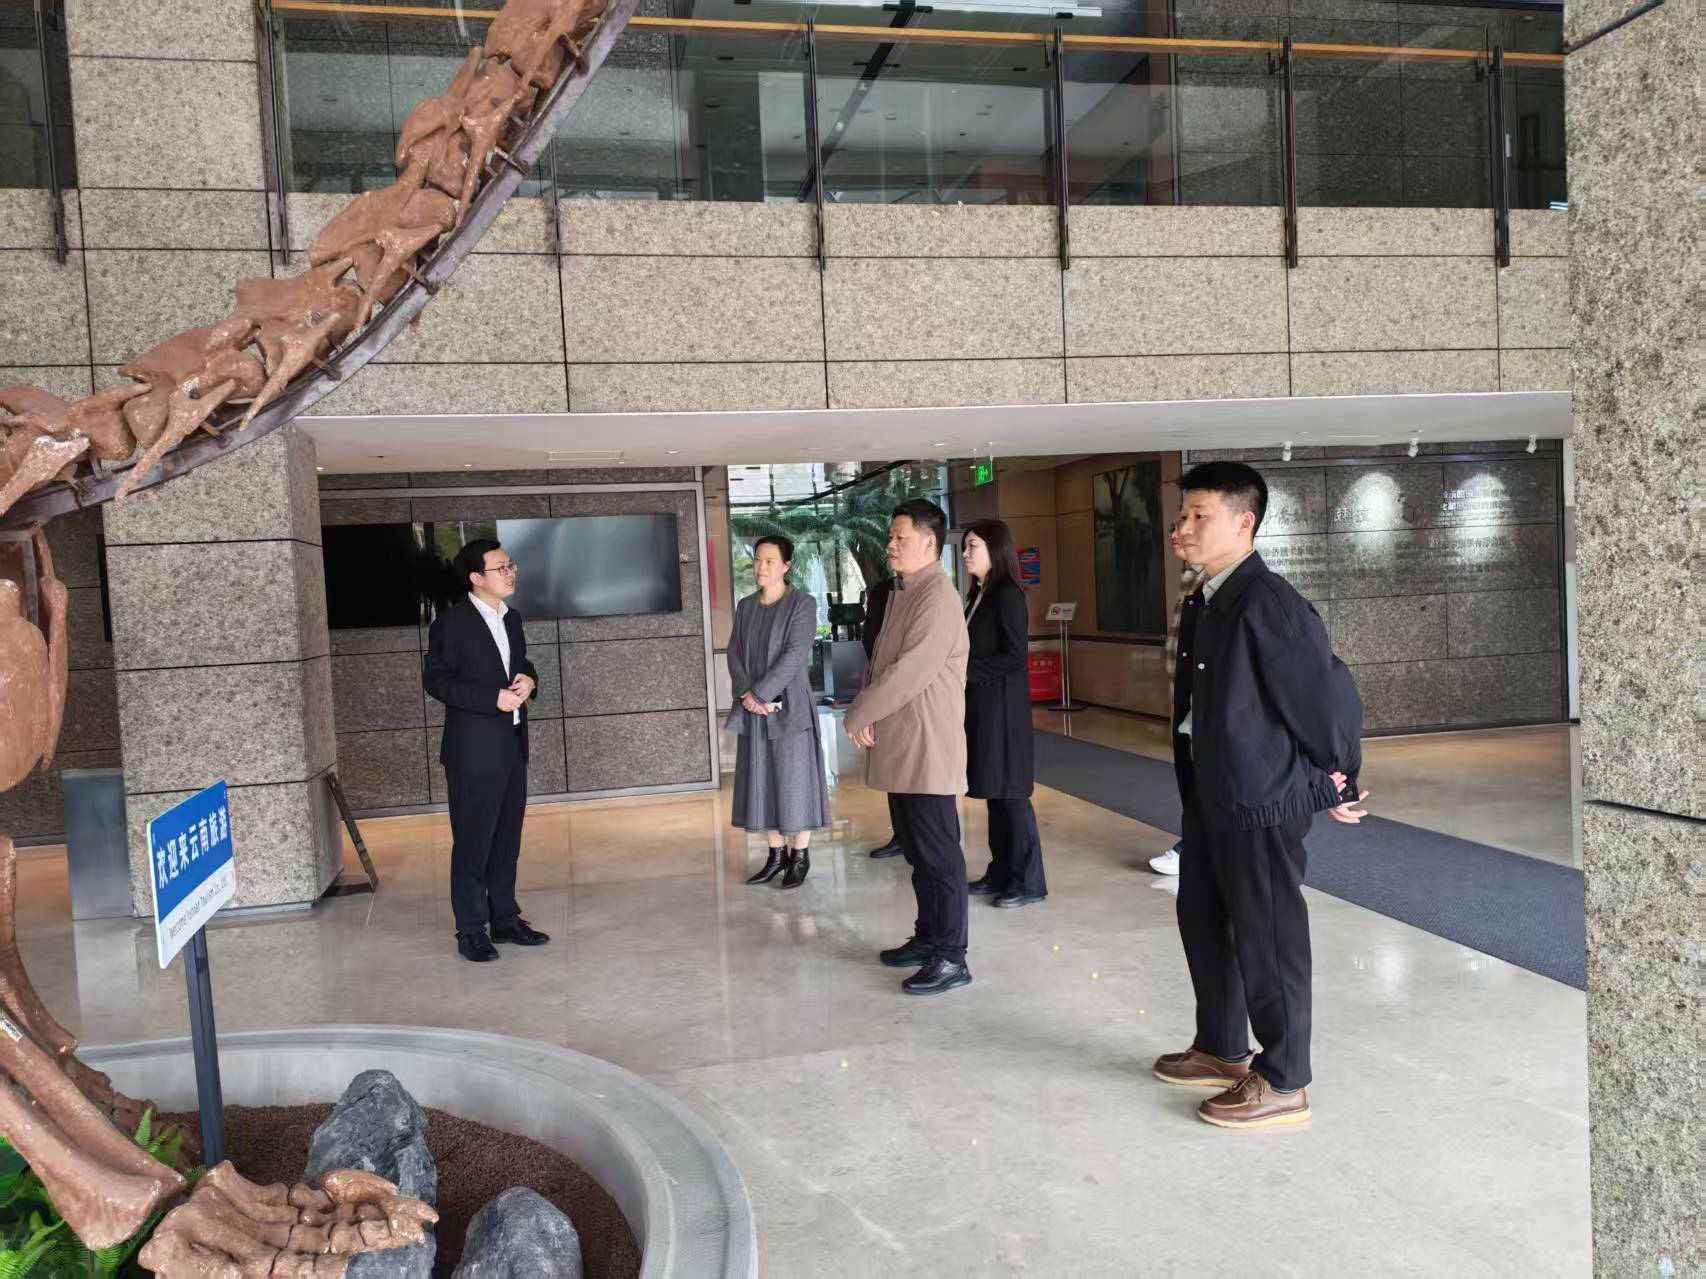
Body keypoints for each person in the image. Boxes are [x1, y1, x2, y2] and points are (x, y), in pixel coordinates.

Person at [1153, 461, 1369, 1129]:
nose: (1182, 527)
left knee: (1268, 935)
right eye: (1182, 514)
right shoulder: (1207, 598)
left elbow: (1323, 695)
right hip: (1213, 790)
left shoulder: (1268, 603)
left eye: (1199, 516)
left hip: (1261, 798)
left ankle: (1283, 1077)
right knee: (1203, 917)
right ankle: (1222, 1047)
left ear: (1244, 523)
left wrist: (1338, 773)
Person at [845, 500, 972, 996]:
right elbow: (883, 664)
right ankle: (928, 937)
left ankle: (951, 956)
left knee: (939, 856)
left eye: (901, 537)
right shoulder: (909, 591)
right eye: (891, 536)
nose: (891, 545)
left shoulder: (937, 597)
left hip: (927, 745)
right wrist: (870, 709)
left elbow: (908, 672)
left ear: (929, 542)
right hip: (906, 741)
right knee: (919, 853)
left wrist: (860, 711)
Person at [423, 538, 550, 963]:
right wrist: (492, 698)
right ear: (476, 578)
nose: (510, 573)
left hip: (512, 746)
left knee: (506, 841)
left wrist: (529, 680)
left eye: (511, 565)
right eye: (501, 568)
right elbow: (437, 681)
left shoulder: (511, 618)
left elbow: (520, 664)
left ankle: (505, 919)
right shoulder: (451, 624)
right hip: (473, 752)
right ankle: (472, 929)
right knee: (473, 842)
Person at [727, 536, 831, 889]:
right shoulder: (745, 606)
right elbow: (734, 653)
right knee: (763, 780)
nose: (761, 567)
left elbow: (795, 655)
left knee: (794, 780)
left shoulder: (802, 604)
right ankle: (775, 856)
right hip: (754, 709)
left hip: (790, 709)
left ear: (786, 566)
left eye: (770, 561)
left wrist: (759, 693)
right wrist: (747, 692)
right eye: (758, 559)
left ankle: (799, 856)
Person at [960, 520, 1047, 909]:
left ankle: (1027, 881)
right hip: (982, 706)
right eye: (965, 546)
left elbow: (1014, 655)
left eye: (972, 546)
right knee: (994, 793)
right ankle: (1001, 871)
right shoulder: (979, 594)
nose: (965, 553)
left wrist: (965, 672)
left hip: (1003, 711)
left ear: (996, 550)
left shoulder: (1008, 595)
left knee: (1011, 795)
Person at [1149, 518, 1204, 878]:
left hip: (1201, 706)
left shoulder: (1211, 582)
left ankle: (1191, 849)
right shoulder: (1190, 577)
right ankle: (1196, 845)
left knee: (1200, 779)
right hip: (1182, 699)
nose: (1174, 534)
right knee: (1188, 776)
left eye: (1183, 526)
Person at [860, 576, 907, 862]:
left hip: (913, 688)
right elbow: (871, 637)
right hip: (885, 688)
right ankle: (901, 834)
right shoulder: (884, 590)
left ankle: (919, 835)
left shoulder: (932, 593)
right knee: (893, 765)